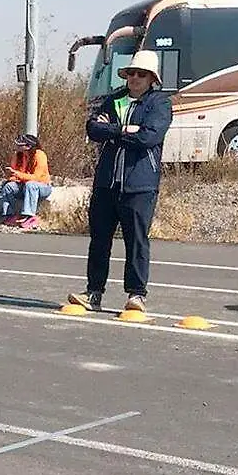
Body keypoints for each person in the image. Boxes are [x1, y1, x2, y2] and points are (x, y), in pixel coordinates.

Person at [69, 50, 172, 313]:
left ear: (152, 79)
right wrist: (124, 129)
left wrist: (112, 132)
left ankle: (136, 294)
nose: (135, 78)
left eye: (142, 74)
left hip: (139, 185)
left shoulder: (159, 104)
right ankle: (94, 292)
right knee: (99, 240)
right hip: (106, 182)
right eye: (132, 73)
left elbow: (149, 137)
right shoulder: (113, 99)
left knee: (136, 241)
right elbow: (93, 129)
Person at [0, 133, 51, 229]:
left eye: (20, 145)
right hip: (24, 185)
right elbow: (16, 175)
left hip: (42, 187)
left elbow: (36, 178)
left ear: (28, 146)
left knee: (31, 185)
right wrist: (11, 177)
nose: (17, 146)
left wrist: (17, 174)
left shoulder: (39, 155)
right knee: (8, 187)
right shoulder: (18, 156)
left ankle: (30, 216)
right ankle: (10, 215)